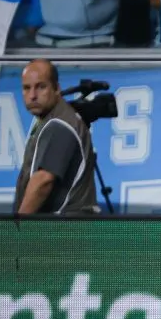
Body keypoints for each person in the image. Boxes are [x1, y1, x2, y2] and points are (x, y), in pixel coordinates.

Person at [14, 59, 100, 216]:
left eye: (41, 87)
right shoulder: (52, 119)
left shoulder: (60, 124)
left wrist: (18, 226)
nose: (32, 95)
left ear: (56, 89)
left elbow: (44, 181)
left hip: (65, 232)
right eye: (27, 88)